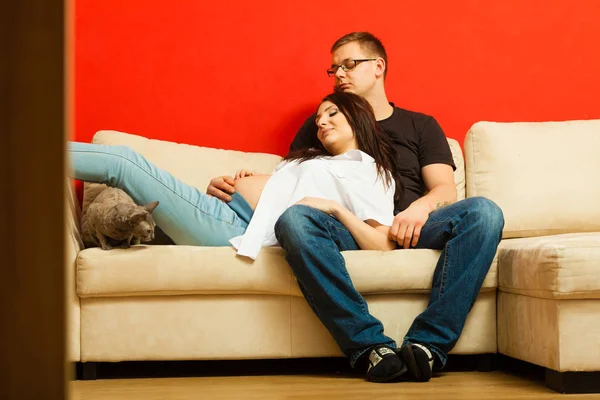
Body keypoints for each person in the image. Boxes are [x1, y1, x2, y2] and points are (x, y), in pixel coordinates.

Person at [207, 32, 505, 383]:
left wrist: (418, 210)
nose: (340, 75)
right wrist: (239, 184)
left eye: (349, 65)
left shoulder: (419, 125)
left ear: (378, 67)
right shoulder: (320, 124)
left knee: (484, 212)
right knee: (296, 219)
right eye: (334, 69)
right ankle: (369, 347)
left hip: (415, 224)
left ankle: (427, 346)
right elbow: (294, 180)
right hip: (349, 229)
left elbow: (444, 188)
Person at [68, 91, 403, 264]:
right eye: (318, 119)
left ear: (359, 119)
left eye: (332, 113)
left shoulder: (368, 170)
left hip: (235, 225)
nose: (321, 122)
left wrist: (335, 209)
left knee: (125, 162)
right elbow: (282, 195)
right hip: (227, 213)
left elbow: (382, 242)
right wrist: (249, 182)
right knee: (122, 196)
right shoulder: (322, 162)